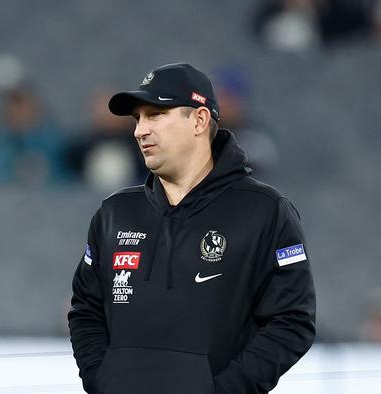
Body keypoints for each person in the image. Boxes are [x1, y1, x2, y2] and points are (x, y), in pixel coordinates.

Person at [67, 63, 316, 393]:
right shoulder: (114, 213)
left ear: (199, 120)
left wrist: (224, 390)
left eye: (155, 115)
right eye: (137, 118)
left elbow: (292, 322)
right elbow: (85, 310)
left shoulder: (265, 211)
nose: (140, 130)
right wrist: (101, 380)